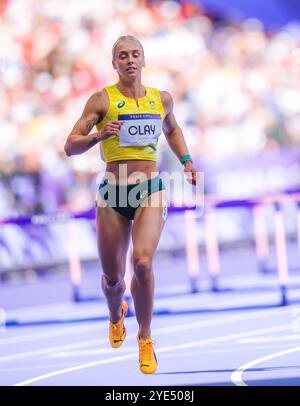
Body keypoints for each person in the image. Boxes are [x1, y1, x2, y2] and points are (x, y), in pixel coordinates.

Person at [64, 35, 197, 374]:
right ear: (114, 64)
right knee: (113, 280)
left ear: (143, 59)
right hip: (113, 194)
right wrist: (98, 135)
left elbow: (173, 128)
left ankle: (146, 338)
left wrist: (186, 161)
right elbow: (70, 146)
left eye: (135, 54)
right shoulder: (101, 100)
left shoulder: (160, 99)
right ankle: (115, 314)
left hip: (149, 188)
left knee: (142, 263)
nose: (129, 60)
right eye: (122, 56)